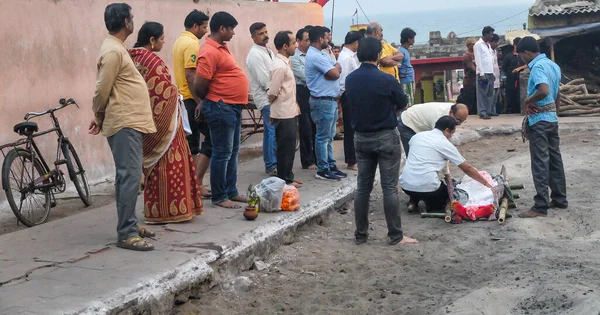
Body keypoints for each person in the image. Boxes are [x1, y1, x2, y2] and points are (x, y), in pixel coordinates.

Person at [90, 3, 156, 251]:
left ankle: (129, 223)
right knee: (129, 176)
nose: (133, 21)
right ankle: (126, 232)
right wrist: (98, 115)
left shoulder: (117, 49)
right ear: (126, 22)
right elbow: (101, 89)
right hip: (124, 121)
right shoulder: (112, 52)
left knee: (128, 176)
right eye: (132, 18)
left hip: (129, 120)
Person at [129, 22, 204, 224]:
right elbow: (162, 92)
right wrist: (175, 95)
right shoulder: (150, 60)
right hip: (163, 125)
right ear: (152, 41)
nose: (164, 42)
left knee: (157, 170)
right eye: (162, 38)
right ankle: (168, 212)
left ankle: (157, 211)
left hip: (143, 121)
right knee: (170, 165)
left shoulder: (130, 57)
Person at [345, 36, 417, 246]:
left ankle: (361, 235)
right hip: (385, 135)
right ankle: (396, 235)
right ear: (378, 55)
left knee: (362, 187)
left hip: (361, 137)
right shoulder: (386, 80)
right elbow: (403, 102)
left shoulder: (351, 79)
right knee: (389, 188)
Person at [193, 11, 249, 209]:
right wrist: (212, 99)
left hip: (231, 106)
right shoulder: (208, 51)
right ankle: (219, 196)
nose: (233, 33)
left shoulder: (221, 48)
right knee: (222, 152)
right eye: (231, 29)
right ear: (222, 29)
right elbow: (199, 85)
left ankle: (230, 191)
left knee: (232, 151)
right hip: (220, 106)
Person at [516, 36, 567, 218]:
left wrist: (528, 100)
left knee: (540, 162)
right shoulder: (553, 65)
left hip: (539, 121)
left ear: (527, 52)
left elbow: (544, 90)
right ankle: (560, 198)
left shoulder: (537, 67)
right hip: (552, 118)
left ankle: (540, 206)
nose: (521, 58)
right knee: (555, 159)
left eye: (521, 55)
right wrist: (555, 114)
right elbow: (556, 93)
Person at [400, 116, 492, 213]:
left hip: (405, 185)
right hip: (429, 187)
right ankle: (427, 204)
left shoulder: (417, 136)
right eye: (451, 133)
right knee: (446, 196)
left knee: (418, 184)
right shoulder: (445, 144)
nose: (451, 137)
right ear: (447, 130)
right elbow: (467, 168)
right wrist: (486, 183)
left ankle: (413, 202)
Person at [173, 9, 212, 198]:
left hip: (184, 98)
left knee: (192, 143)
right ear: (195, 26)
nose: (205, 31)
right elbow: (190, 75)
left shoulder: (179, 41)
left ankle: (192, 184)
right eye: (204, 27)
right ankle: (198, 183)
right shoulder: (191, 44)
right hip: (190, 99)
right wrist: (199, 101)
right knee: (209, 139)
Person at [305, 26, 346, 181]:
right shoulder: (315, 56)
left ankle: (330, 164)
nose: (329, 40)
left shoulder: (322, 54)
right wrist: (333, 72)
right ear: (320, 39)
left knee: (329, 136)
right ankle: (322, 168)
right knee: (322, 137)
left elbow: (337, 68)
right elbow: (335, 72)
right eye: (327, 37)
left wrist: (333, 71)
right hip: (322, 101)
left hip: (329, 101)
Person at [268, 31, 301, 188]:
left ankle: (288, 176)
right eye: (294, 43)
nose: (296, 46)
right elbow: (273, 91)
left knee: (289, 147)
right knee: (285, 148)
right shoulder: (279, 66)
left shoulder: (286, 62)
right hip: (282, 113)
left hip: (289, 110)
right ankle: (284, 179)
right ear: (285, 46)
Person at [246, 22, 277, 176]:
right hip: (266, 99)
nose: (265, 35)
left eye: (265, 32)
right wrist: (277, 93)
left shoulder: (267, 50)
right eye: (260, 33)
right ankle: (272, 165)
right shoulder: (254, 55)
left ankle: (271, 163)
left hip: (273, 97)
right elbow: (266, 81)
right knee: (272, 130)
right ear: (253, 37)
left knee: (269, 131)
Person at [398, 102, 469, 156]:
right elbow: (440, 144)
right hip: (408, 122)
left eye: (463, 121)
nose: (459, 124)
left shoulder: (455, 110)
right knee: (414, 156)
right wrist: (447, 173)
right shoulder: (438, 118)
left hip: (421, 124)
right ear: (451, 112)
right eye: (458, 121)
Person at [290, 28, 317, 170]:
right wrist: (315, 77)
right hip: (302, 91)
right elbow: (305, 75)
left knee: (315, 126)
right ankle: (307, 160)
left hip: (314, 90)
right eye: (306, 40)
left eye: (309, 40)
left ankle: (317, 157)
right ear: (298, 41)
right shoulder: (294, 57)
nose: (308, 43)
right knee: (305, 126)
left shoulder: (313, 54)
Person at [337, 31, 362, 171]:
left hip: (351, 94)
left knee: (353, 127)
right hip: (348, 94)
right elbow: (343, 80)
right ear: (356, 42)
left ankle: (354, 158)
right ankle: (351, 160)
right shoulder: (346, 58)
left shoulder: (350, 56)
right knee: (350, 128)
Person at [474, 26, 495, 119]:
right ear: (485, 34)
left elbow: (490, 59)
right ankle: (482, 112)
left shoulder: (488, 45)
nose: (492, 36)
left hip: (490, 71)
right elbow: (478, 60)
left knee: (490, 93)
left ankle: (488, 110)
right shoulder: (478, 45)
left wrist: (493, 72)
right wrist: (481, 73)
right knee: (482, 93)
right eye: (490, 34)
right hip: (483, 72)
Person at [502, 37, 526, 114]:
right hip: (511, 80)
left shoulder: (523, 56)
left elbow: (529, 64)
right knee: (510, 96)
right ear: (514, 45)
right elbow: (504, 68)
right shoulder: (508, 56)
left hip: (522, 80)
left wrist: (520, 68)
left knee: (520, 96)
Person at [399, 27, 416, 107]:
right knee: (408, 103)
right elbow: (398, 65)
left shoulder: (405, 51)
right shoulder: (401, 52)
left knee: (411, 101)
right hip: (405, 81)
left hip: (409, 79)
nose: (414, 40)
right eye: (413, 38)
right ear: (409, 39)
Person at [460, 38, 478, 114]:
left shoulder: (476, 55)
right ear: (468, 45)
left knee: (476, 101)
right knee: (470, 102)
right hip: (469, 82)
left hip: (476, 81)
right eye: (473, 44)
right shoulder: (467, 56)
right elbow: (472, 68)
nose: (475, 46)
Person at [490, 34, 501, 116]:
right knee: (491, 98)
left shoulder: (495, 51)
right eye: (495, 42)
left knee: (495, 100)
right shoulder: (488, 51)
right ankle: (491, 112)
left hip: (497, 78)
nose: (496, 44)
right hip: (491, 78)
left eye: (497, 42)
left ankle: (493, 112)